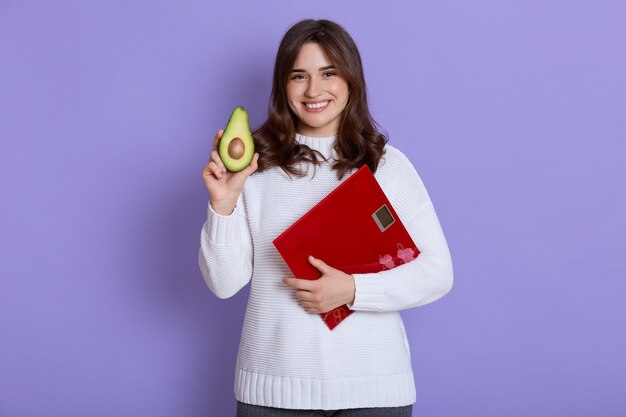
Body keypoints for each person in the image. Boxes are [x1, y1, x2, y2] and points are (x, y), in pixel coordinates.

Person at [199, 19, 453, 417]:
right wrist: (223, 205)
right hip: (272, 393)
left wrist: (353, 290)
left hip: (374, 392)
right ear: (283, 86)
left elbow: (438, 272)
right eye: (299, 76)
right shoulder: (253, 168)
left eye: (328, 73)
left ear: (351, 80)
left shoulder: (386, 166)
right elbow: (223, 284)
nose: (314, 90)